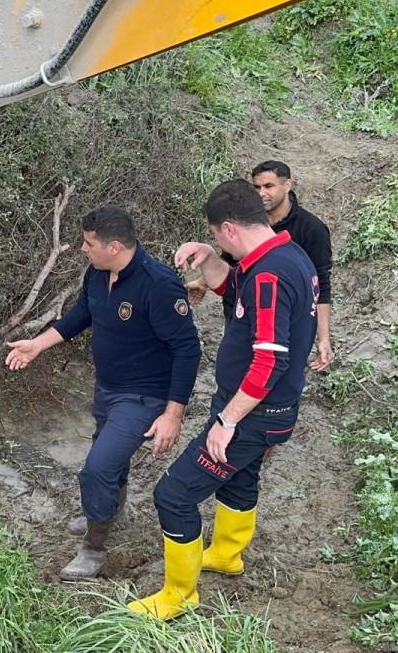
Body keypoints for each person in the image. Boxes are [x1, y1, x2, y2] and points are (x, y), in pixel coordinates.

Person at [128, 180, 319, 620]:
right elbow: (240, 296)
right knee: (240, 478)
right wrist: (213, 260)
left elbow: (269, 362)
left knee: (174, 495)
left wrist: (228, 421)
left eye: (216, 236)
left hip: (253, 413)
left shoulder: (269, 275)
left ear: (230, 227)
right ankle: (227, 555)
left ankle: (178, 594)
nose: (216, 242)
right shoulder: (283, 256)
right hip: (264, 410)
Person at [6, 205, 200, 579]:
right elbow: (82, 315)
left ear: (114, 247)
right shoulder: (97, 273)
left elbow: (188, 349)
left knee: (97, 467)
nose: (82, 248)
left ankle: (94, 549)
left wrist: (173, 414)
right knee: (109, 458)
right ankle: (110, 510)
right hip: (108, 387)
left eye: (88, 243)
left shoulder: (158, 284)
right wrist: (38, 345)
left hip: (145, 395)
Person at [188, 161, 334, 370]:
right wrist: (203, 282)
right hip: (239, 311)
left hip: (283, 317)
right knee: (235, 368)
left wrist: (323, 338)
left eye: (269, 186)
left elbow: (320, 285)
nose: (262, 193)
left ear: (287, 185)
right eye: (256, 187)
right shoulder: (247, 219)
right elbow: (231, 260)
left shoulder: (311, 229)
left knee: (271, 368)